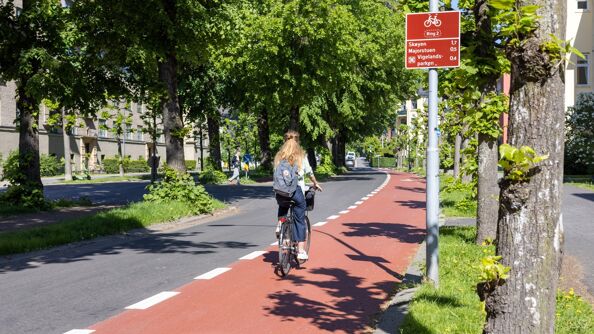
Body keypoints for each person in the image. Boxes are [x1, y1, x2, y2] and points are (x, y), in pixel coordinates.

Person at [274, 130, 323, 260]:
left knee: (283, 203)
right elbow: (309, 172)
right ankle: (301, 250)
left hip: (280, 191)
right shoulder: (301, 156)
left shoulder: (279, 156)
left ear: (285, 141)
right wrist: (315, 183)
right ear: (298, 142)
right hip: (296, 191)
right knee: (299, 218)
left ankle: (281, 224)